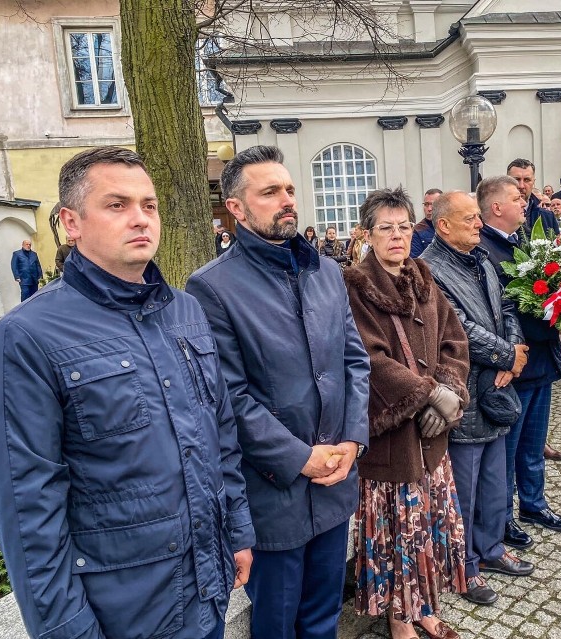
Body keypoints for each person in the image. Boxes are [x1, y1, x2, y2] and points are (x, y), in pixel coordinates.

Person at [0, 146, 254, 639]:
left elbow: (220, 435)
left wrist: (236, 532)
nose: (140, 219)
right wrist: (67, 627)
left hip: (205, 590)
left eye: (149, 205)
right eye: (117, 205)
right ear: (71, 222)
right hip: (122, 612)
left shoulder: (186, 313)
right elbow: (27, 508)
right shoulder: (26, 337)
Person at [185, 145, 370, 639]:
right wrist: (297, 457)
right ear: (237, 208)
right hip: (274, 496)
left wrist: (353, 439)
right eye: (270, 192)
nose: (287, 199)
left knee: (323, 619)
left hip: (334, 481)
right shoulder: (210, 288)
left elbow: (354, 360)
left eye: (289, 189)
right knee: (276, 625)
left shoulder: (327, 272)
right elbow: (229, 397)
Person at [344, 187, 469, 639]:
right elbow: (369, 359)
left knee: (430, 527)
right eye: (386, 228)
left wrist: (450, 391)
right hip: (391, 439)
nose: (396, 236)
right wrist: (427, 395)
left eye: (403, 227)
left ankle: (427, 607)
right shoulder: (356, 286)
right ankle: (400, 620)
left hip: (432, 439)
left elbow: (455, 341)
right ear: (367, 234)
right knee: (400, 531)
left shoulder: (424, 277)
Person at [420, 191, 534, 606]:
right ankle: (462, 564)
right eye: (469, 219)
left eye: (477, 217)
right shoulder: (429, 269)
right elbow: (458, 327)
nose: (478, 224)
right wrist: (506, 354)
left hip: (497, 384)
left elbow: (506, 305)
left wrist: (514, 352)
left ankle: (489, 549)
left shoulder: (482, 259)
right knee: (463, 488)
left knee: (493, 480)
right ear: (443, 225)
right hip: (464, 386)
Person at [476, 176, 561, 555]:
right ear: (496, 207)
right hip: (513, 366)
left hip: (540, 363)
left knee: (533, 446)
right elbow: (502, 311)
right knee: (507, 449)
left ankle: (534, 505)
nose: (524, 202)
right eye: (517, 198)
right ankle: (502, 517)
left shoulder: (524, 244)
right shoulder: (484, 251)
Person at [507, 159, 560, 235]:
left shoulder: (547, 217)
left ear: (533, 182)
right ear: (507, 182)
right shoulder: (496, 216)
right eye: (517, 179)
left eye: (527, 180)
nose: (521, 186)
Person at [410, 188, 442, 257]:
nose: (429, 209)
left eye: (433, 204)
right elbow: (416, 260)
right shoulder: (417, 230)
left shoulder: (452, 226)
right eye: (426, 204)